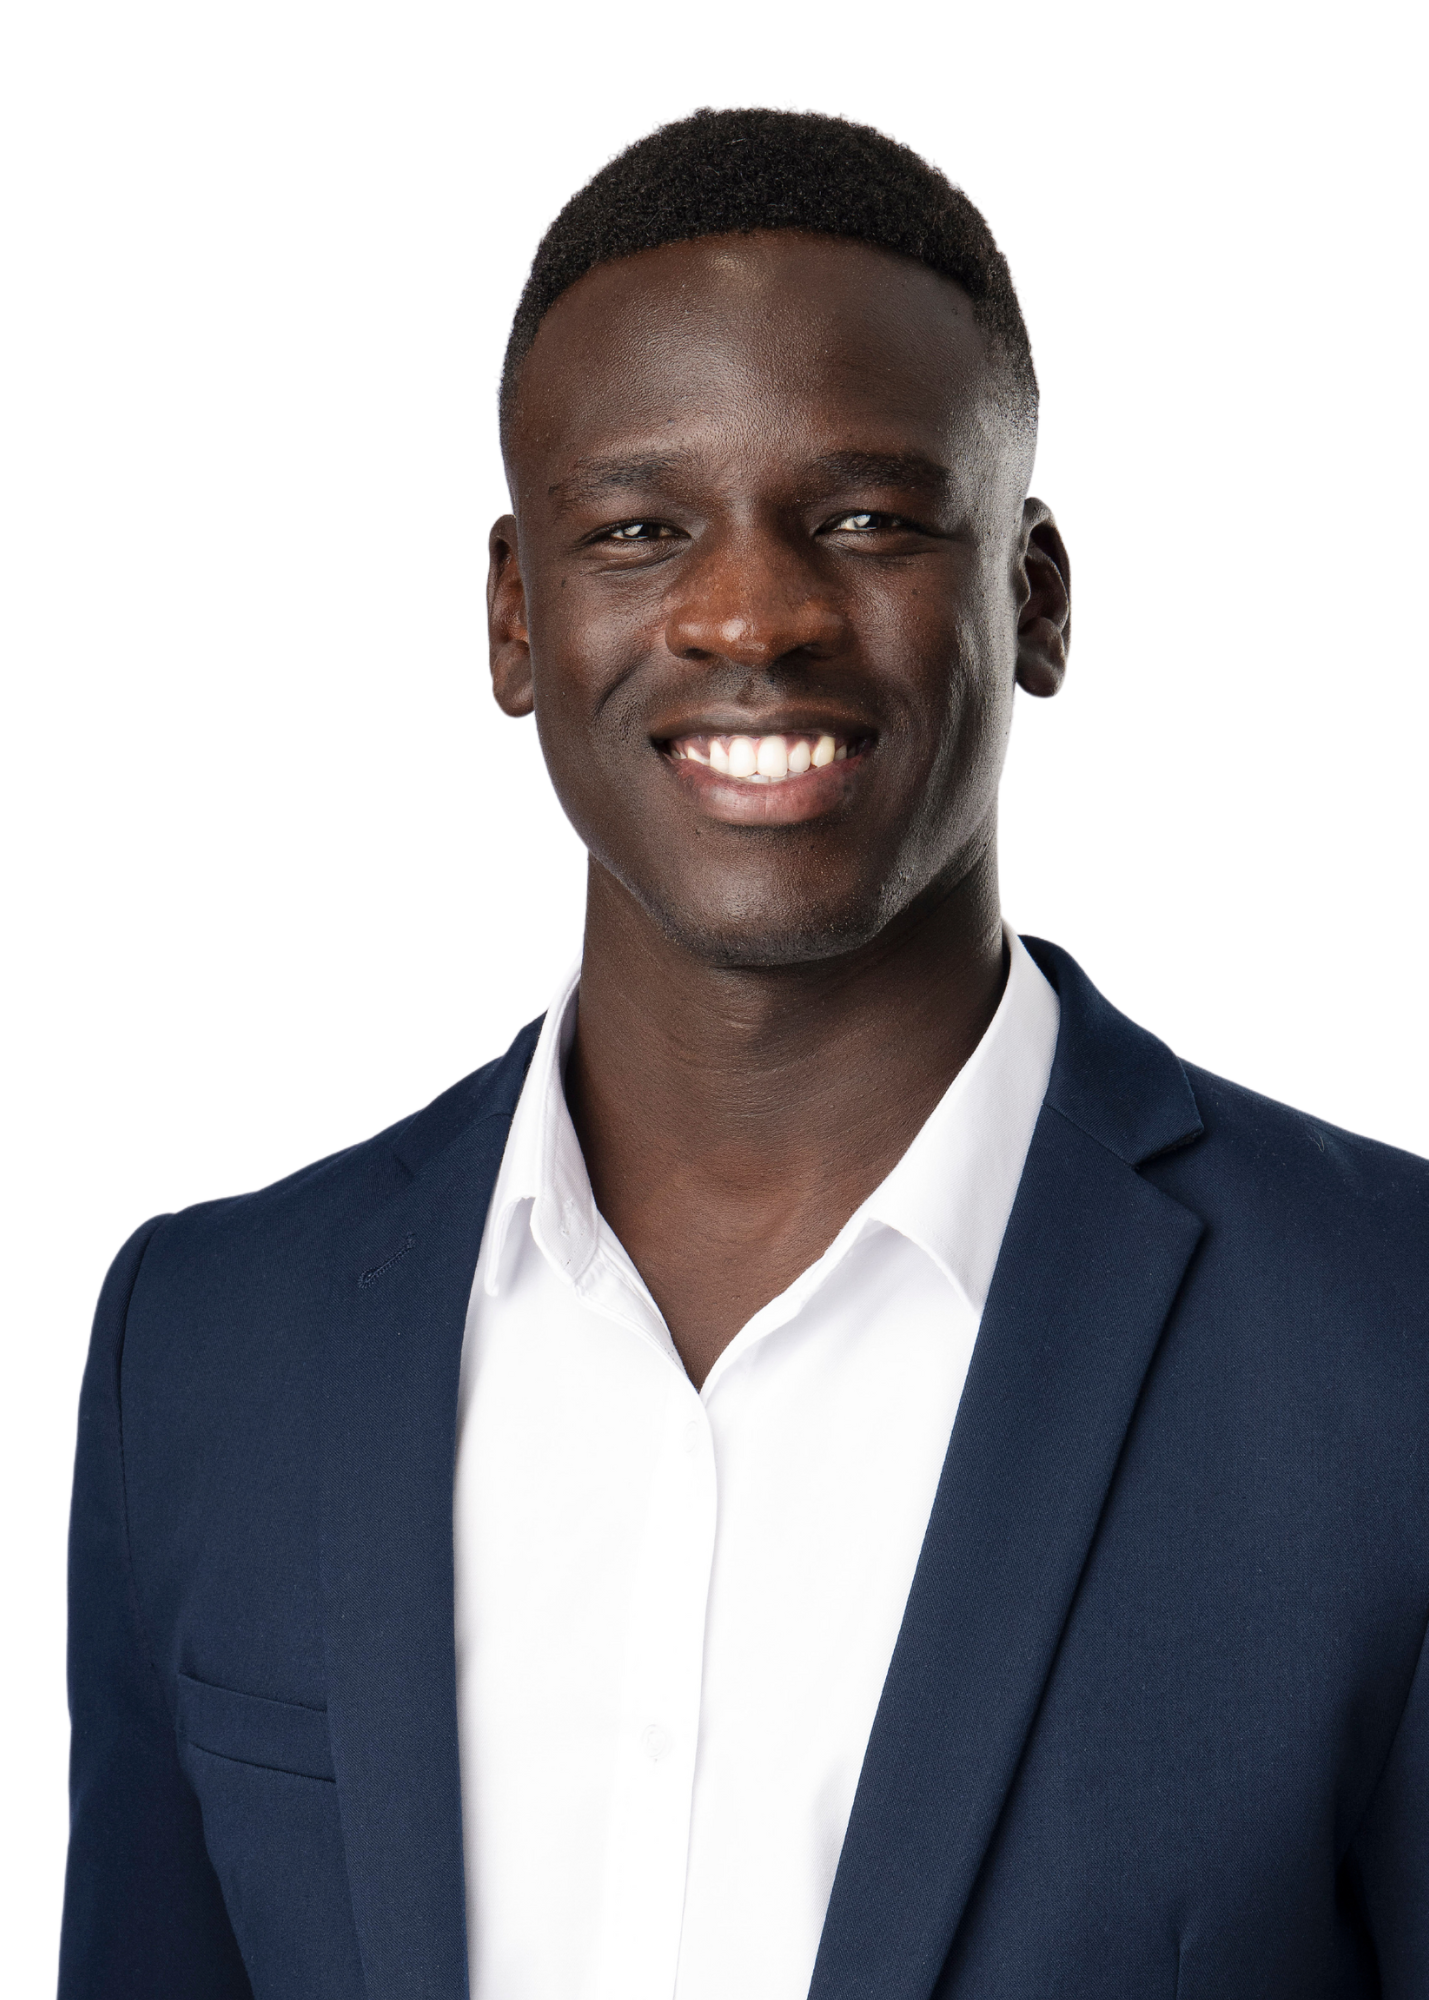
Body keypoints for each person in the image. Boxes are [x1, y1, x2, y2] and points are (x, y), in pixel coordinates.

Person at [59, 107, 1429, 2000]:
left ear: (1033, 595)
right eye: (639, 531)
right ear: (516, 618)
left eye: (866, 520)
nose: (750, 616)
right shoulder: (212, 1350)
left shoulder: (1386, 1341)